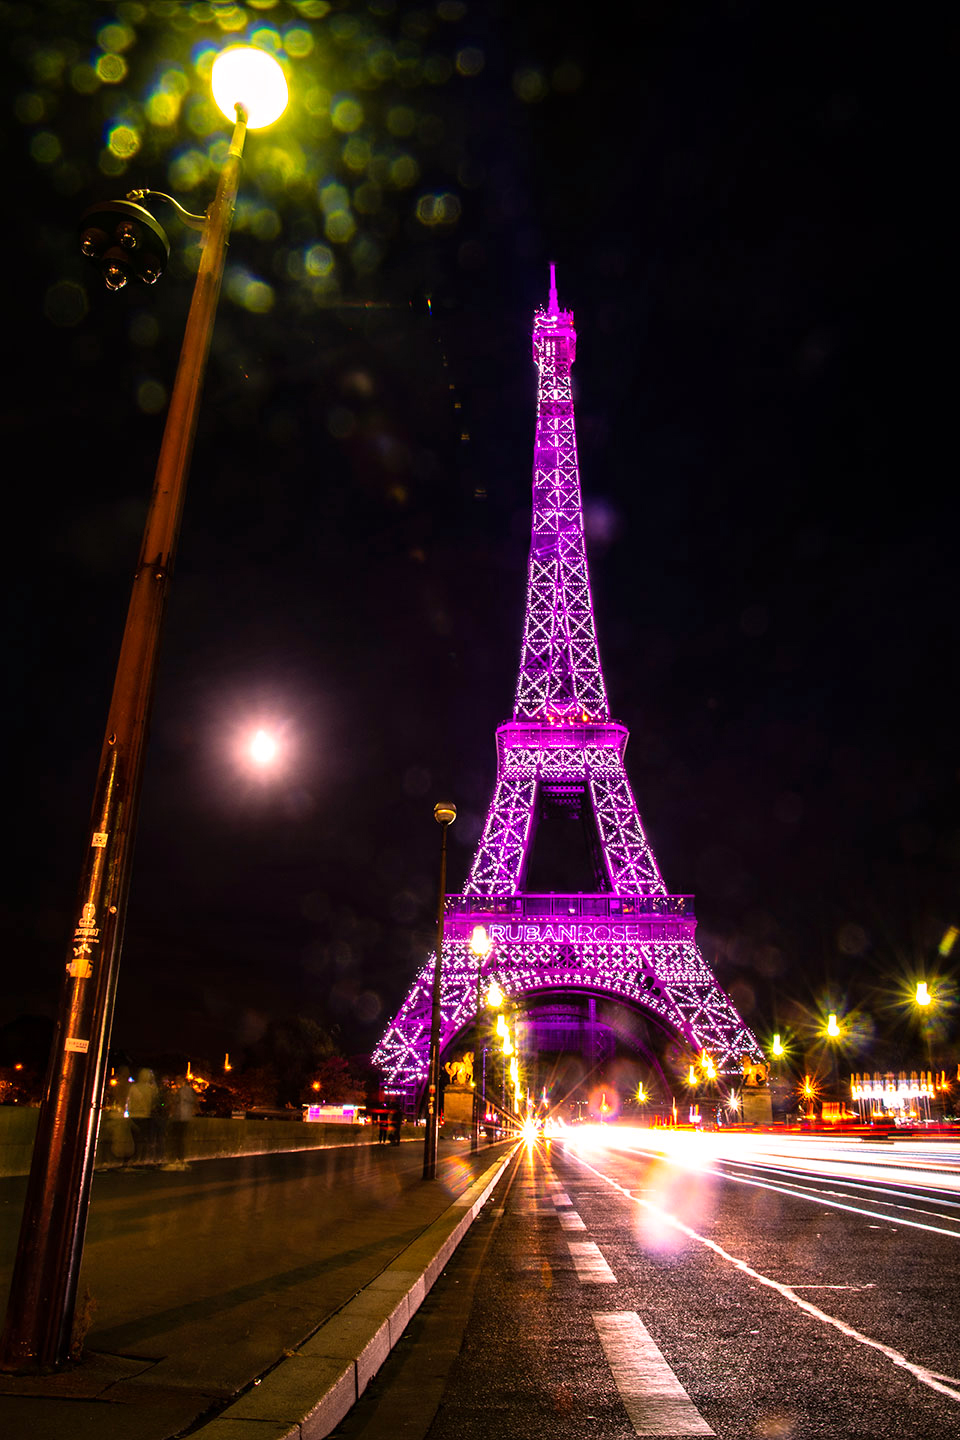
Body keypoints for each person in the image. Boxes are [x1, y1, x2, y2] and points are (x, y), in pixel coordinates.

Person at [126, 1067, 160, 1165]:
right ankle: (141, 1159)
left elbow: (129, 1102)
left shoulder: (133, 1088)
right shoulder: (150, 1089)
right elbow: (155, 1102)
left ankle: (132, 1160)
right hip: (145, 1116)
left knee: (134, 1140)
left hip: (134, 1116)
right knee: (143, 1140)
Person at [163, 1078, 197, 1170]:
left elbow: (177, 1102)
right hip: (185, 1117)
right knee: (181, 1139)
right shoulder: (189, 1091)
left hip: (180, 1118)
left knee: (177, 1139)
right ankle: (181, 1159)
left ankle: (177, 1159)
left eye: (178, 1080)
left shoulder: (182, 1090)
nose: (176, 1082)